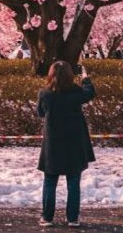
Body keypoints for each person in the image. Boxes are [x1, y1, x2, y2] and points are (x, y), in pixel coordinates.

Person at [38, 61, 95, 227]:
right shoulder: (76, 92)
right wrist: (85, 78)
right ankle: (73, 218)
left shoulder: (45, 93)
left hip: (53, 142)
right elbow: (90, 93)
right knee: (74, 182)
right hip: (74, 142)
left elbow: (40, 113)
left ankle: (47, 217)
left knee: (50, 181)